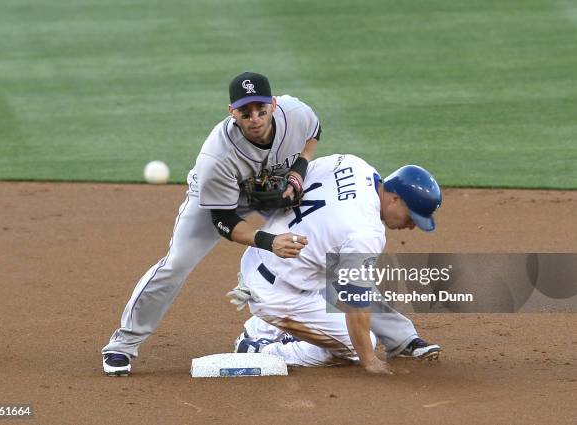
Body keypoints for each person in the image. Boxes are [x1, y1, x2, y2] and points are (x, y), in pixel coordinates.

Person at [102, 71, 321, 375]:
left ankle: (345, 329)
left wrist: (298, 170)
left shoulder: (295, 113)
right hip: (217, 200)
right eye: (245, 113)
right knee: (176, 263)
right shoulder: (217, 157)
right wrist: (269, 242)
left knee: (320, 236)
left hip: (273, 189)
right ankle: (122, 344)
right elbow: (224, 220)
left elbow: (315, 131)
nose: (255, 119)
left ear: (273, 104)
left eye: (261, 110)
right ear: (232, 112)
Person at [228, 154, 442, 374]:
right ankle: (259, 349)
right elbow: (355, 304)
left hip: (263, 255)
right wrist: (369, 360)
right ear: (395, 198)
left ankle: (401, 340)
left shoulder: (353, 165)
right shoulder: (366, 233)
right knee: (356, 344)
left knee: (354, 278)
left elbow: (299, 175)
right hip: (277, 293)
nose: (411, 226)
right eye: (411, 217)